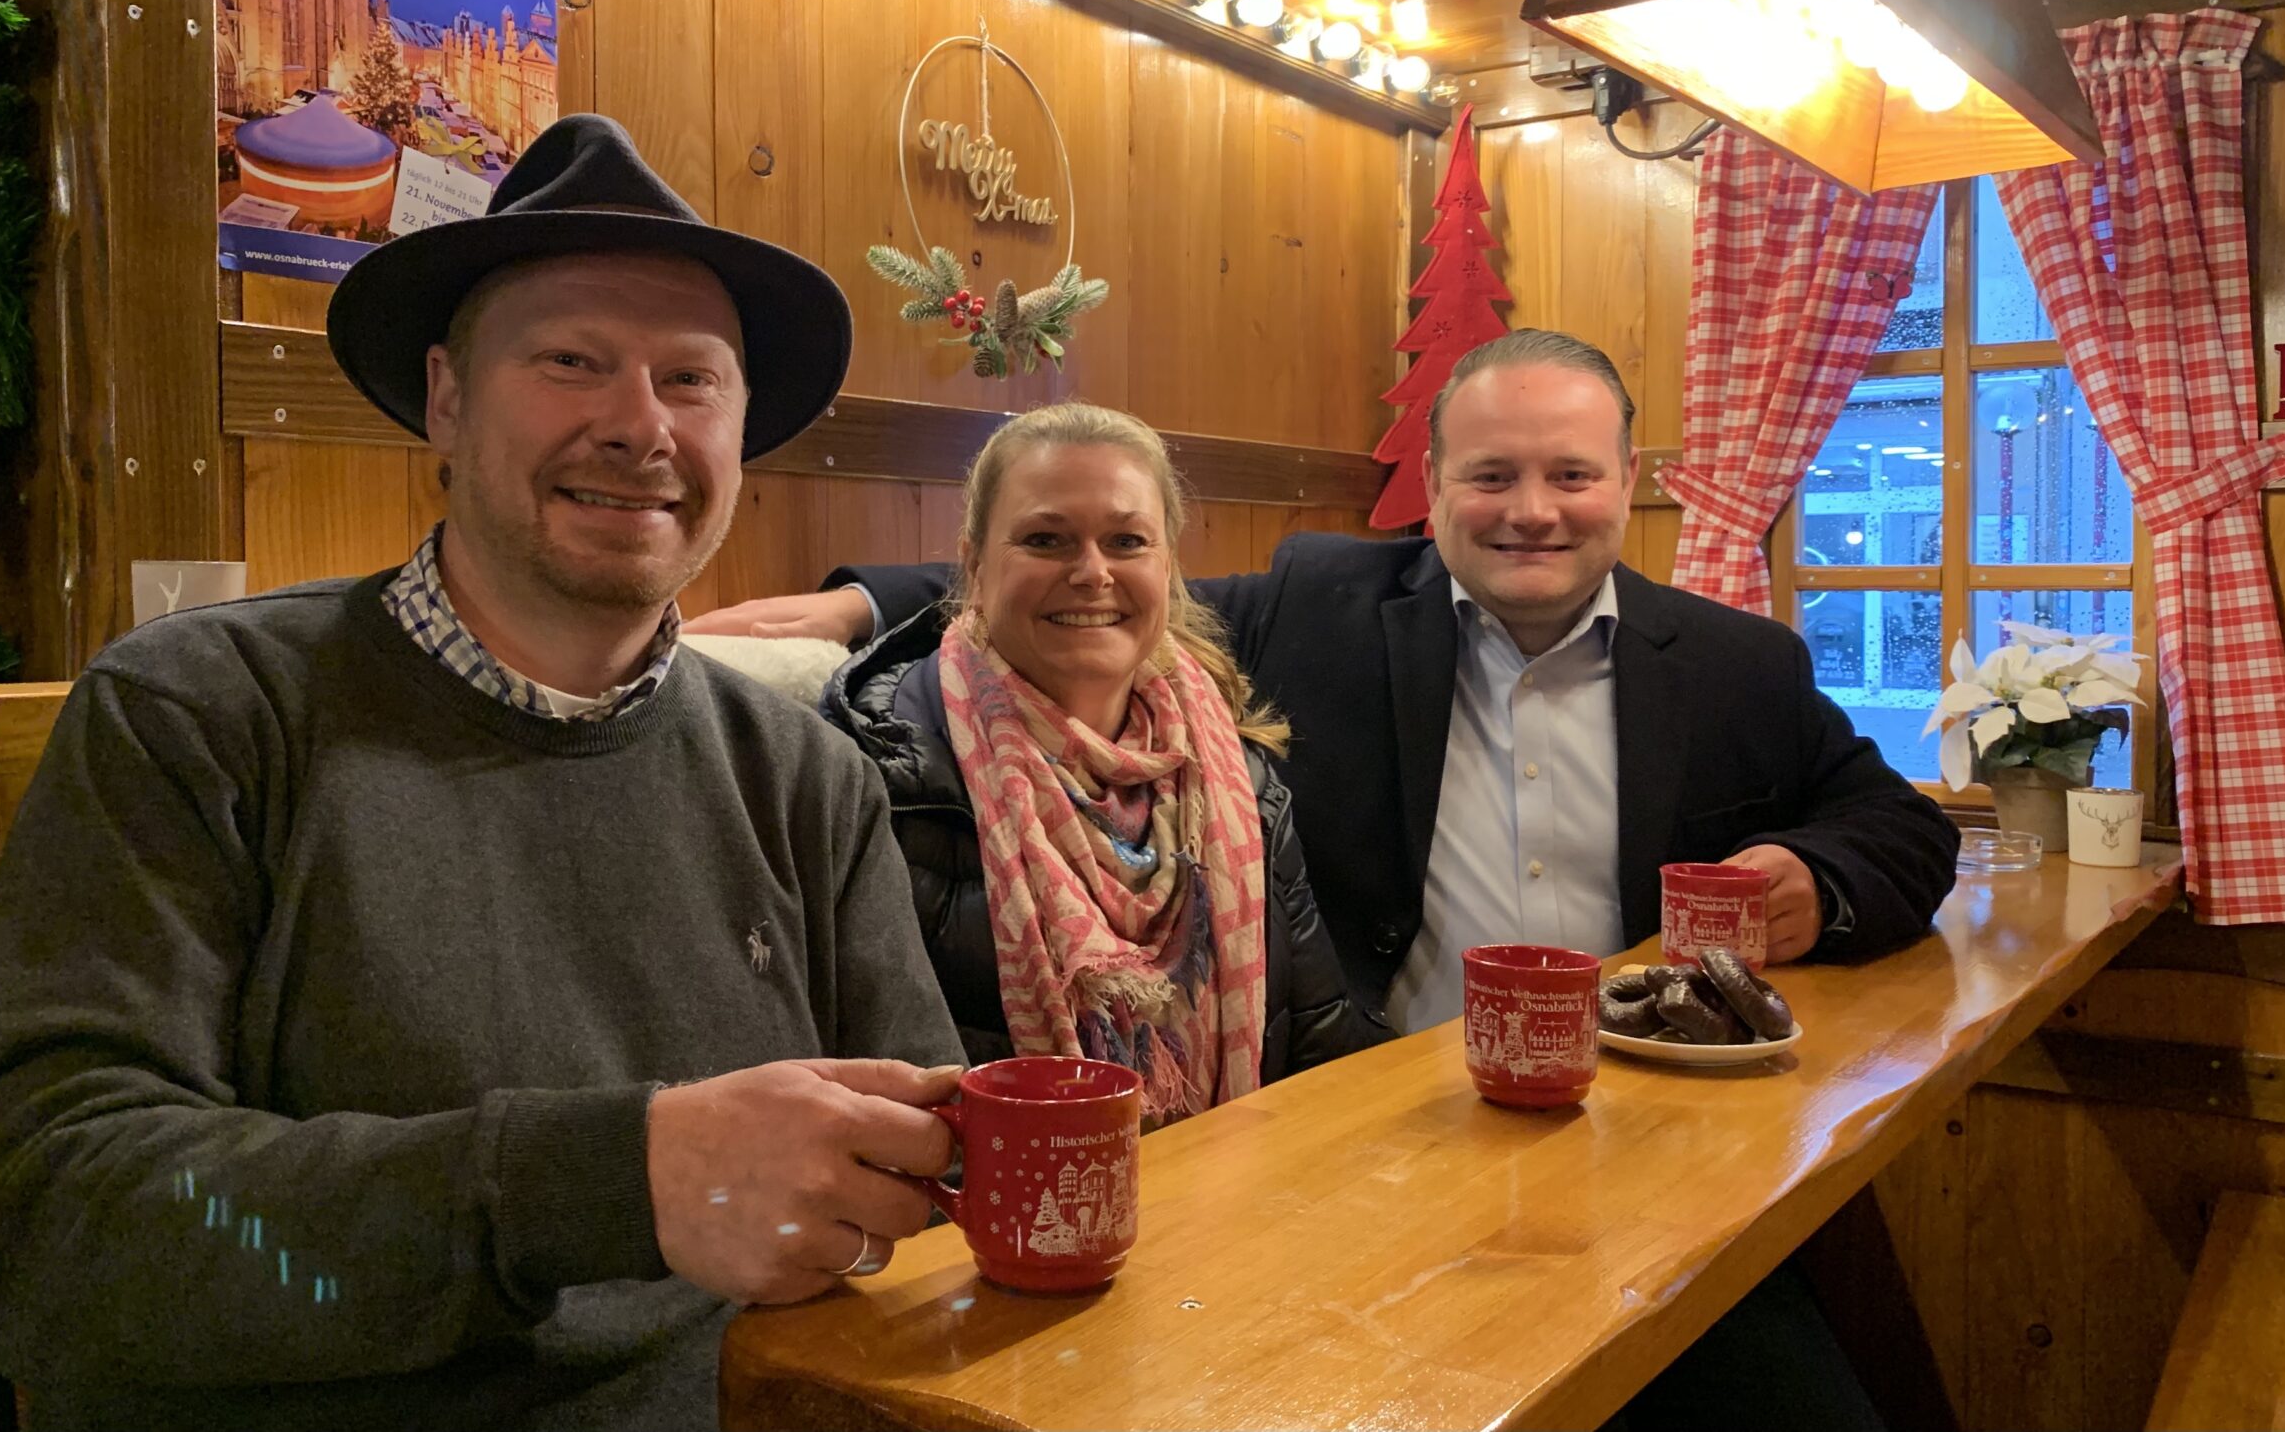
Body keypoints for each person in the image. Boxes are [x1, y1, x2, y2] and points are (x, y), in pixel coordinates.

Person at [697, 326, 1960, 1432]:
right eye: (1491, 474)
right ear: (1435, 487)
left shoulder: (1740, 666)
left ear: (1630, 482)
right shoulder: (1321, 600)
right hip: (1384, 1144)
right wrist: (856, 607)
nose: (1531, 510)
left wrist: (1814, 874)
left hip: (1644, 1157)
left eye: (1571, 474)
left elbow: (1899, 826)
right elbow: (1097, 584)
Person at [0, 115, 966, 1431]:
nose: (639, 426)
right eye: (570, 361)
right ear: (446, 398)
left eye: (691, 380)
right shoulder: (202, 713)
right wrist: (614, 1179)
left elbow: (917, 1175)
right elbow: (47, 1216)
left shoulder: (807, 777)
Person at [823, 403, 1378, 1124]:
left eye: (1126, 541)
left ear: (1167, 567)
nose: (1092, 572)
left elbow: (1321, 1057)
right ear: (975, 565)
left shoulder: (1244, 778)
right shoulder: (867, 778)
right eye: (1045, 539)